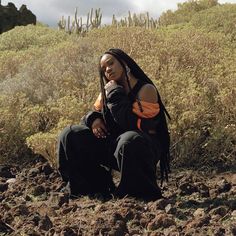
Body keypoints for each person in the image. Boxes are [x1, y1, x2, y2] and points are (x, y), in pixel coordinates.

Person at [57, 48, 170, 201]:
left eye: (111, 64)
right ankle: (92, 187)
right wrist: (93, 119)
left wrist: (115, 94)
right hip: (115, 146)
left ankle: (133, 194)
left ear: (123, 63)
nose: (108, 69)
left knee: (129, 139)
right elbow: (90, 116)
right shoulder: (108, 91)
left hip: (140, 149)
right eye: (104, 68)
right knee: (70, 133)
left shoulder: (146, 90)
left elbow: (133, 125)